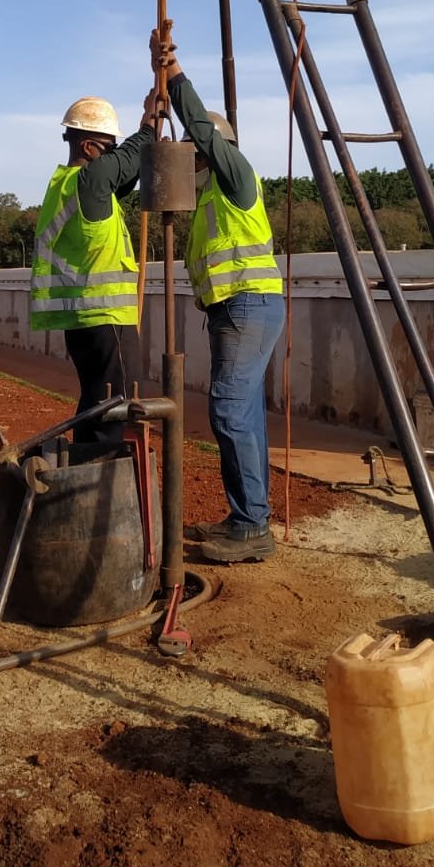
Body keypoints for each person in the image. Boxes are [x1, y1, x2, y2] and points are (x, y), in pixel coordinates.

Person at [152, 29, 285, 562]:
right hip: (233, 312)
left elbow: (203, 133)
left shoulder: (235, 174)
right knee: (243, 413)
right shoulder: (210, 193)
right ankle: (246, 518)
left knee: (228, 411)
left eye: (199, 149)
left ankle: (253, 525)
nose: (195, 157)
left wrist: (175, 76)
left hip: (248, 306)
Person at [30, 93, 158, 444]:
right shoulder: (90, 181)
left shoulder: (66, 186)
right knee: (113, 409)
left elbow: (124, 174)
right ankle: (99, 479)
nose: (113, 153)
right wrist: (148, 125)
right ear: (88, 147)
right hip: (104, 317)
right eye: (108, 146)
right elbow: (128, 160)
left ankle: (80, 469)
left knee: (95, 402)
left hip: (82, 321)